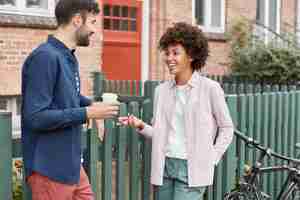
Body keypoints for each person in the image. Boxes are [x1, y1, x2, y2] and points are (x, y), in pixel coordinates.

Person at [119, 22, 234, 200]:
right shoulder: (161, 91)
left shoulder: (210, 88)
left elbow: (227, 128)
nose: (169, 58)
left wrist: (211, 157)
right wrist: (141, 125)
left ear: (191, 55)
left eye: (175, 53)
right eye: (167, 53)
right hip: (165, 167)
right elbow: (161, 134)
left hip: (192, 169)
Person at [21, 0, 119, 199]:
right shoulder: (45, 57)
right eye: (92, 22)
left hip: (71, 167)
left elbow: (68, 96)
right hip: (49, 170)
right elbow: (35, 116)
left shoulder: (67, 56)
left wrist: (91, 104)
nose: (95, 31)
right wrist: (87, 113)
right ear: (76, 20)